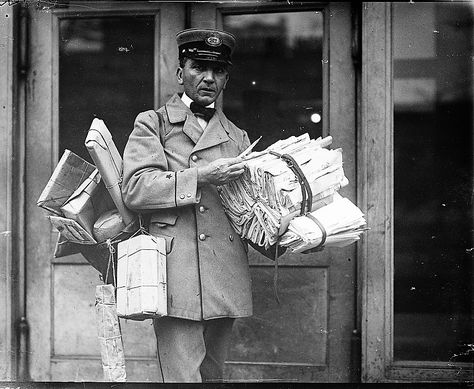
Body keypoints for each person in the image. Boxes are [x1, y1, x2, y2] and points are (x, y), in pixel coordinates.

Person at [121, 28, 263, 383]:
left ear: (227, 78)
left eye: (218, 71)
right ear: (181, 73)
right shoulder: (152, 124)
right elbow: (136, 189)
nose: (209, 78)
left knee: (214, 377)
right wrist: (200, 176)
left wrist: (284, 232)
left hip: (223, 273)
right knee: (183, 380)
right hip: (176, 272)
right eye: (199, 67)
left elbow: (250, 208)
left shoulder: (237, 136)